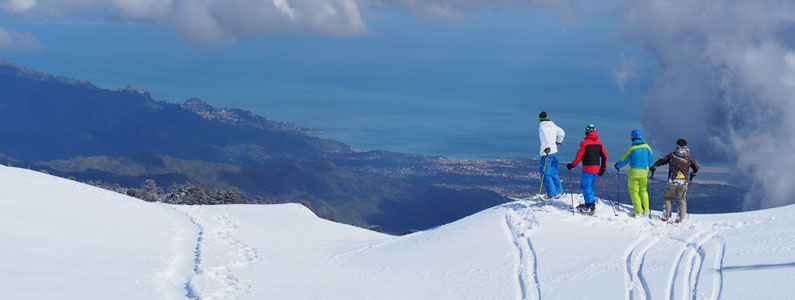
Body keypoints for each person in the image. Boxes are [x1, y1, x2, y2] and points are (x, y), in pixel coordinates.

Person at [649, 138, 700, 223]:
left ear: (677, 145)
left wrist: (654, 166)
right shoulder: (689, 157)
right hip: (683, 182)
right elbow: (697, 167)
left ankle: (666, 216)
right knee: (682, 200)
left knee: (668, 199)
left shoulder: (672, 155)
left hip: (672, 181)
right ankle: (681, 218)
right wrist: (692, 173)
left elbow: (662, 160)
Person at [566, 124, 607, 214]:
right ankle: (589, 203)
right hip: (596, 169)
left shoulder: (584, 144)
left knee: (585, 186)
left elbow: (579, 157)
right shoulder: (600, 144)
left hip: (588, 168)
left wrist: (572, 165)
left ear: (587, 132)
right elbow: (604, 156)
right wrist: (603, 168)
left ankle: (590, 205)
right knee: (589, 187)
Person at [614, 129, 654, 217]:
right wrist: (647, 165)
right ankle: (646, 210)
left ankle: (638, 211)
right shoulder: (647, 147)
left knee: (634, 192)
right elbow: (651, 157)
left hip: (634, 173)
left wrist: (617, 165)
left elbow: (623, 161)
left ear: (632, 138)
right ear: (640, 137)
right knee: (643, 190)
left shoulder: (631, 149)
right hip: (644, 172)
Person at [537, 111, 566, 200]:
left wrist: (547, 147)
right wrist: (558, 142)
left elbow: (545, 137)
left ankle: (551, 194)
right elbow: (562, 133)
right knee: (553, 172)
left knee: (545, 173)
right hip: (555, 152)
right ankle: (559, 191)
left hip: (547, 153)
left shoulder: (542, 126)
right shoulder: (553, 125)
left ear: (539, 119)